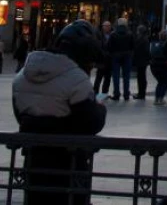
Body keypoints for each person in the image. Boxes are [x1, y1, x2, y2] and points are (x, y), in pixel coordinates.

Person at [12, 19, 106, 205]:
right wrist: (100, 108)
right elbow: (90, 122)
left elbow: (20, 115)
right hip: (68, 163)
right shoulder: (77, 79)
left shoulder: (22, 76)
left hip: (34, 160)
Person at [108, 18, 134, 101]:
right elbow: (133, 46)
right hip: (127, 56)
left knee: (116, 76)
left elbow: (109, 46)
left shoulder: (113, 34)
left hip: (116, 56)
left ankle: (116, 94)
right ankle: (126, 94)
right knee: (126, 76)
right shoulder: (130, 34)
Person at [150, 29, 167, 106]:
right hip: (163, 65)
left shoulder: (154, 44)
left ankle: (156, 99)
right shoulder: (166, 45)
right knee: (164, 82)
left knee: (160, 82)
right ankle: (160, 98)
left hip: (154, 66)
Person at [93, 20, 112, 95]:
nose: (107, 27)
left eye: (108, 26)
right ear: (102, 27)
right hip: (101, 59)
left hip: (109, 60)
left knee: (107, 77)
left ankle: (105, 91)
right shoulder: (98, 35)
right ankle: (95, 91)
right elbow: (97, 46)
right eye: (105, 26)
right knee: (99, 77)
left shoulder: (112, 35)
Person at [133, 25, 151, 100]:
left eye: (138, 30)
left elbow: (145, 51)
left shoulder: (141, 39)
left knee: (141, 78)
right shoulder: (145, 39)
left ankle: (141, 93)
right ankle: (141, 93)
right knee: (142, 77)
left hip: (141, 61)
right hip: (143, 61)